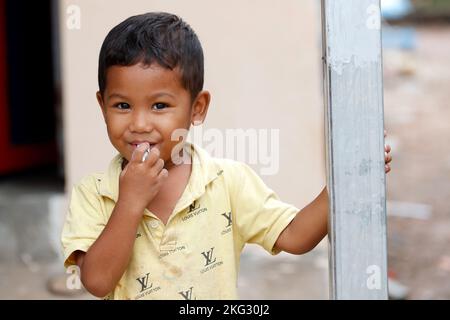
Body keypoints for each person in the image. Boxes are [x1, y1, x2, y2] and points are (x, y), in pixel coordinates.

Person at [61, 12, 393, 300]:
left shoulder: (226, 181)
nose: (139, 124)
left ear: (197, 108)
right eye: (122, 105)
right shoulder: (94, 194)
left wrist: (343, 181)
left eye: (159, 105)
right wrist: (130, 202)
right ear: (102, 106)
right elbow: (97, 282)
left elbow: (294, 236)